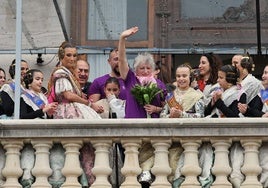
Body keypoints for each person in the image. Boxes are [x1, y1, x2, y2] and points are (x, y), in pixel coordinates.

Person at [160, 64, 206, 187]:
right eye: (178, 76)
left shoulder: (197, 96)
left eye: (184, 76)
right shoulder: (170, 96)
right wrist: (170, 116)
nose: (181, 79)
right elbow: (162, 115)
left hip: (189, 139)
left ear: (190, 77)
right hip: (171, 139)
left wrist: (181, 114)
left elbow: (200, 117)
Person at [118, 26, 166, 118]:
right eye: (142, 68)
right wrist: (122, 38)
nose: (145, 71)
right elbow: (121, 60)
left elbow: (167, 107)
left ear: (152, 70)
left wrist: (156, 109)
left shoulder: (159, 85)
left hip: (154, 127)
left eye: (148, 68)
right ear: (135, 69)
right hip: (132, 125)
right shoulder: (131, 79)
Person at [47, 41, 101, 119]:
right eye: (68, 55)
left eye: (74, 55)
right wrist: (89, 104)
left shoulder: (68, 73)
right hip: (66, 112)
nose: (72, 59)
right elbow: (68, 95)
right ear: (61, 57)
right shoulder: (61, 73)